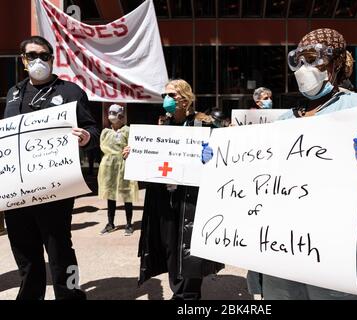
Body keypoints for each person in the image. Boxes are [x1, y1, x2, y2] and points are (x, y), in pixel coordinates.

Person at [203, 28, 357, 300]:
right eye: (298, 60)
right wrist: (220, 163)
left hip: (343, 256)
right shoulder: (285, 122)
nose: (304, 68)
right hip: (283, 256)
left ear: (337, 63)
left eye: (313, 59)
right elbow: (257, 185)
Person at [3, 36, 99, 300]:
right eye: (32, 56)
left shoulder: (70, 92)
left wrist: (87, 137)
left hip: (55, 190)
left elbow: (93, 130)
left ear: (52, 58)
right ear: (23, 60)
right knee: (25, 254)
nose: (38, 61)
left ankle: (70, 296)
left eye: (44, 56)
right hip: (18, 193)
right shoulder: (14, 94)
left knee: (60, 251)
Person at [124, 79, 223, 300]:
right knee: (169, 246)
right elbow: (151, 158)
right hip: (164, 197)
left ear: (186, 99)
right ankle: (178, 290)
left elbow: (225, 153)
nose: (167, 100)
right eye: (165, 95)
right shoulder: (162, 125)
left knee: (188, 247)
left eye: (173, 95)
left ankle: (188, 296)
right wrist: (135, 153)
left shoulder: (203, 124)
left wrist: (212, 153)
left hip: (191, 199)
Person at [98, 104, 139, 236]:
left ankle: (129, 223)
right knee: (110, 195)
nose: (113, 116)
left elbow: (134, 146)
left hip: (125, 165)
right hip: (109, 166)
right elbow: (102, 148)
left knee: (127, 195)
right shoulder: (105, 132)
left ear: (121, 116)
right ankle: (110, 223)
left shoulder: (128, 131)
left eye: (116, 114)